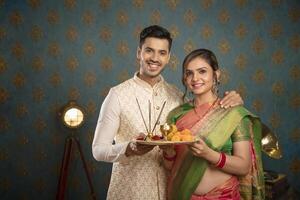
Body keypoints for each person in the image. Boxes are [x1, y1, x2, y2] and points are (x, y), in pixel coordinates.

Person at [92, 25, 244, 200]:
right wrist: (129, 148)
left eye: (162, 53)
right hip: (130, 192)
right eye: (149, 51)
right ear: (139, 52)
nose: (155, 58)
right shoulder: (117, 95)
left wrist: (235, 100)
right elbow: (98, 150)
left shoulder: (178, 97)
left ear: (168, 57)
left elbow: (207, 115)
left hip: (171, 192)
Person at [163, 48, 265, 200]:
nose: (195, 78)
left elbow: (244, 167)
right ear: (184, 78)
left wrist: (208, 154)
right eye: (189, 73)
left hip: (224, 195)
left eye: (202, 71)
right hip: (183, 194)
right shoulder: (176, 115)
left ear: (216, 74)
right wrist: (169, 153)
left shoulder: (233, 113)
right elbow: (170, 167)